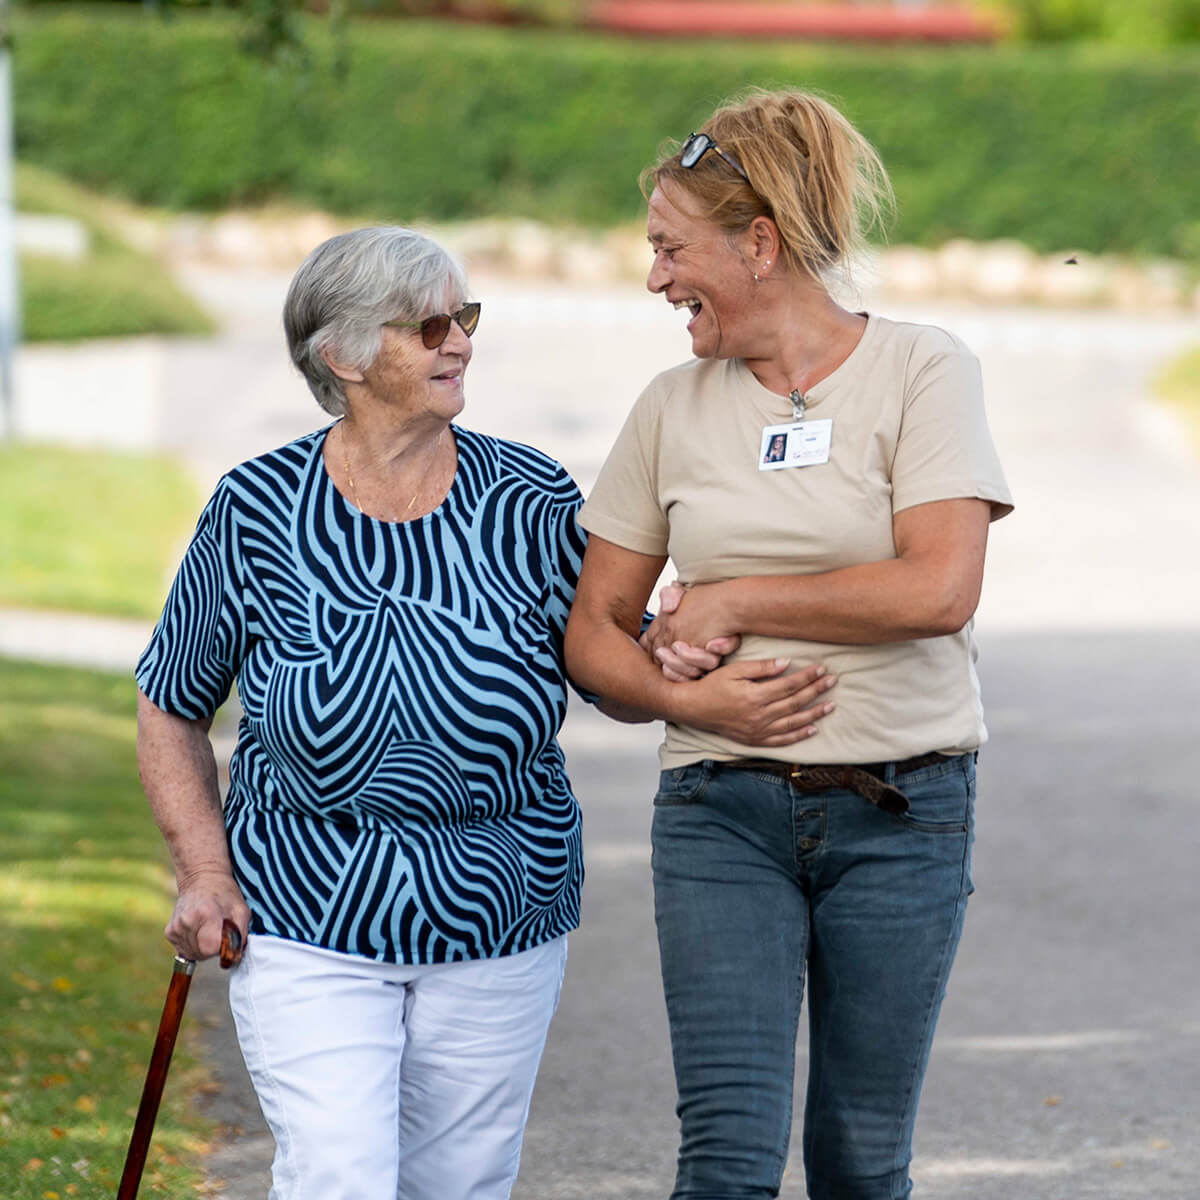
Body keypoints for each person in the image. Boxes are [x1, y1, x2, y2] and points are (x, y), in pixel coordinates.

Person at [134, 226, 837, 1200]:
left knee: (459, 1183)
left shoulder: (530, 498)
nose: (461, 341)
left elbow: (606, 671)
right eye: (429, 327)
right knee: (339, 1174)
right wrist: (206, 872)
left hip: (500, 905)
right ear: (342, 355)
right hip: (305, 905)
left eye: (463, 316)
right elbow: (170, 703)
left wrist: (673, 652)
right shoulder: (257, 510)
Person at [564, 89, 1013, 1200]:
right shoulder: (669, 407)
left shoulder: (922, 370)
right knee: (726, 1158)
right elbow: (595, 642)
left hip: (903, 812)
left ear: (759, 245)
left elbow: (941, 587)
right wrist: (689, 697)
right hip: (720, 813)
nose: (656, 278)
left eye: (672, 249)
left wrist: (727, 601)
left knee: (860, 1161)